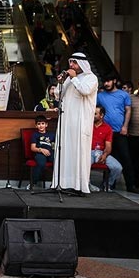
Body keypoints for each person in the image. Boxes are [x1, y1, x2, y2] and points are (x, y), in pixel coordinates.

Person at [52, 52, 98, 194]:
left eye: (74, 62)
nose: (71, 65)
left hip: (80, 121)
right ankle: (63, 183)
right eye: (70, 62)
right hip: (66, 121)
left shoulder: (91, 78)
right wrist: (61, 82)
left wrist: (73, 78)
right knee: (65, 150)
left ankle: (79, 186)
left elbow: (84, 91)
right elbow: (58, 94)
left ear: (82, 64)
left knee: (79, 151)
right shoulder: (70, 78)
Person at [91, 105, 123, 191]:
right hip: (88, 152)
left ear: (101, 116)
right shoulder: (87, 125)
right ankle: (87, 184)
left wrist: (105, 155)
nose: (92, 115)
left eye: (95, 114)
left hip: (101, 152)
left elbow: (108, 146)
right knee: (83, 164)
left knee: (117, 167)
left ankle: (107, 185)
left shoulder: (107, 128)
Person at [29, 115, 55, 189]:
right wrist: (41, 150)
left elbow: (56, 145)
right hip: (40, 153)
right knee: (41, 164)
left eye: (43, 123)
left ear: (46, 125)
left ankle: (55, 184)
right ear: (36, 125)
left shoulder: (51, 134)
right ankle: (33, 183)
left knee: (58, 163)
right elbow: (32, 148)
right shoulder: (35, 135)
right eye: (39, 124)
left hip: (50, 153)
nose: (41, 126)